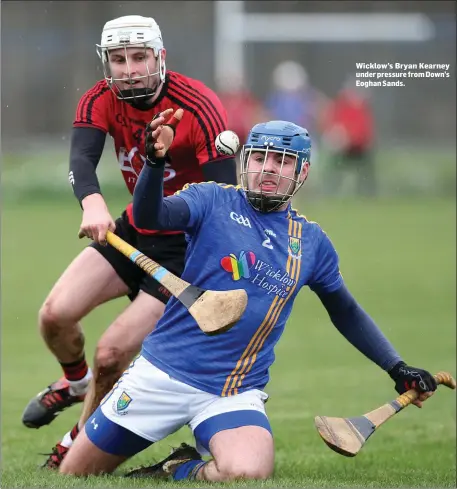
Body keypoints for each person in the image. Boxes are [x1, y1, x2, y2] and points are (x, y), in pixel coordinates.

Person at [58, 112, 437, 481]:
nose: (269, 168)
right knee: (76, 474)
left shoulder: (312, 242)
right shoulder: (211, 201)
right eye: (259, 157)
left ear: (301, 173)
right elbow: (150, 216)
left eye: (283, 161)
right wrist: (154, 163)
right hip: (162, 374)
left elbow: (346, 311)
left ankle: (178, 468)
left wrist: (396, 367)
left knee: (247, 470)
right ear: (243, 160)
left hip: (233, 390)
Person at [21, 15, 237, 468]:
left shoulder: (198, 105)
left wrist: (214, 263)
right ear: (107, 62)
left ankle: (73, 445)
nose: (129, 68)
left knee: (112, 354)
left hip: (187, 250)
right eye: (118, 59)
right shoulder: (99, 100)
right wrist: (92, 203)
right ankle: (75, 383)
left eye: (139, 57)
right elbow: (81, 159)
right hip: (134, 230)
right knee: (54, 316)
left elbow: (224, 195)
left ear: (160, 58)